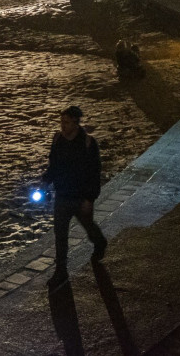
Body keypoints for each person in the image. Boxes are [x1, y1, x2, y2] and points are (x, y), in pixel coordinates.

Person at [40, 106, 108, 288]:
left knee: (88, 225)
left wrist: (89, 199)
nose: (63, 126)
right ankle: (60, 271)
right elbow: (53, 165)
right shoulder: (57, 140)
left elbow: (94, 173)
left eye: (67, 122)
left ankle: (100, 242)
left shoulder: (88, 143)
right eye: (61, 122)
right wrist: (46, 181)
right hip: (62, 196)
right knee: (60, 235)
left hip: (80, 197)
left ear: (76, 123)